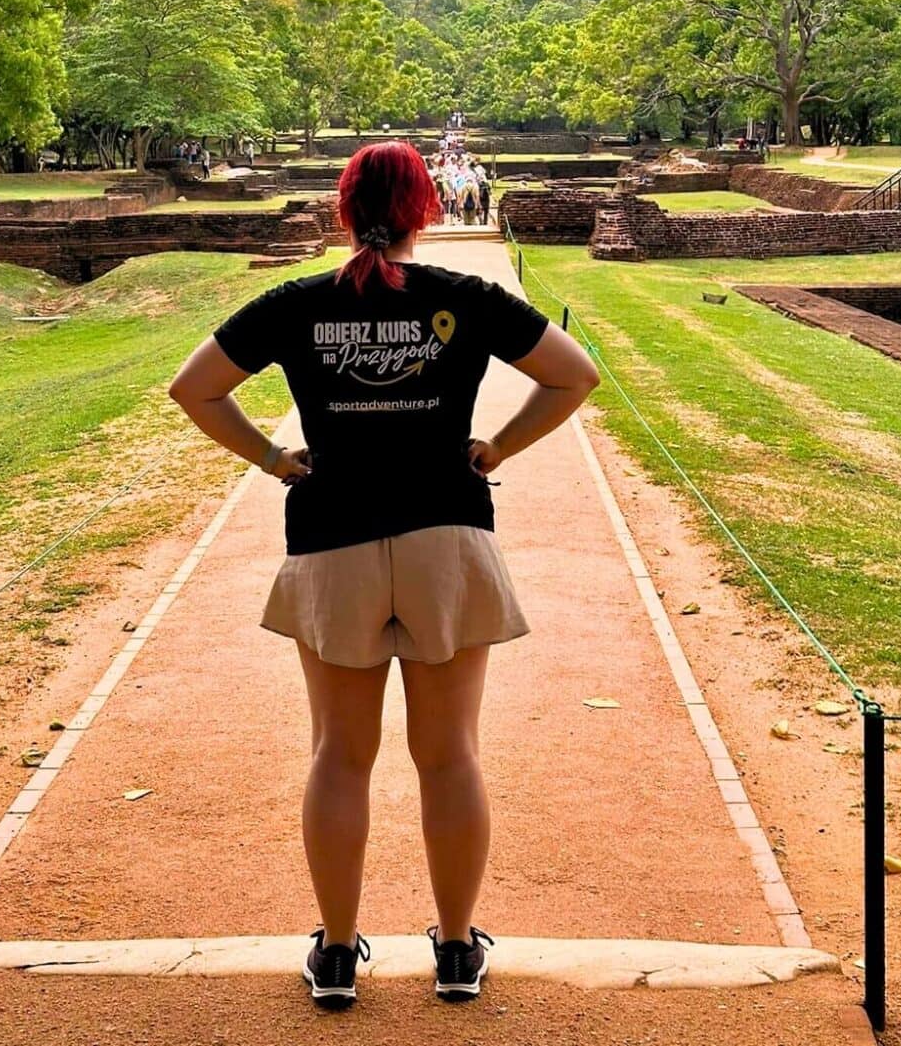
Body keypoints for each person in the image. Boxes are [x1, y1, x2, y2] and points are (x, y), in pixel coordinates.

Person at [169, 142, 598, 1010]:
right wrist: (498, 447)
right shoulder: (462, 298)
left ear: (342, 209)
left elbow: (194, 388)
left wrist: (273, 457)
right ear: (425, 210)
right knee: (448, 756)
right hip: (446, 532)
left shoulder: (299, 303)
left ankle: (335, 953)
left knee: (340, 753)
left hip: (332, 537)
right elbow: (574, 375)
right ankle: (452, 948)